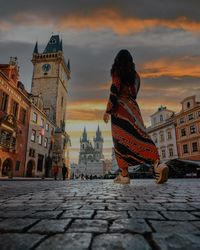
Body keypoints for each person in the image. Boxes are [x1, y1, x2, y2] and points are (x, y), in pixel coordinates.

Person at [103, 49, 168, 184]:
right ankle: (157, 164)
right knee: (141, 135)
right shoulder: (136, 76)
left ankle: (125, 175)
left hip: (120, 110)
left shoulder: (117, 72)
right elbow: (135, 92)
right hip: (133, 107)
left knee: (120, 141)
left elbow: (114, 90)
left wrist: (108, 110)